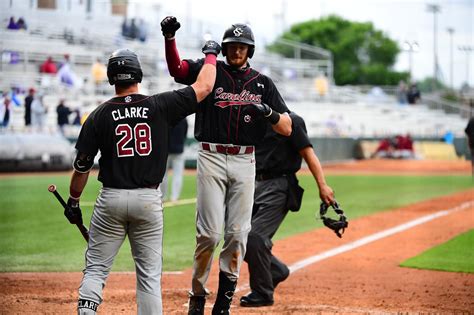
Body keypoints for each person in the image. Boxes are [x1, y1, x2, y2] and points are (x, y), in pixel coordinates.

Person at [65, 42, 218, 315]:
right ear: (138, 75)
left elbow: (82, 168)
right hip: (148, 200)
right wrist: (211, 53)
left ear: (112, 78)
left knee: (97, 268)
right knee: (148, 276)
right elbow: (205, 87)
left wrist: (73, 201)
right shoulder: (160, 104)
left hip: (110, 198)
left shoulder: (98, 115)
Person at [161, 16, 292, 315]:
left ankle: (223, 302)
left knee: (237, 234)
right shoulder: (210, 70)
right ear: (224, 48)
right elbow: (177, 69)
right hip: (211, 157)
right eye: (231, 46)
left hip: (246, 160)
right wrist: (170, 39)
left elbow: (286, 127)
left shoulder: (262, 83)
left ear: (250, 50)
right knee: (208, 234)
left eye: (242, 47)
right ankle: (197, 295)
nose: (236, 52)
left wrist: (269, 112)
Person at [240, 112, 335, 307]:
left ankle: (263, 293)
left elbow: (308, 153)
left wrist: (322, 185)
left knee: (254, 237)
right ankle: (276, 271)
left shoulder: (293, 121)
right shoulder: (254, 121)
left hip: (279, 185)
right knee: (236, 236)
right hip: (252, 184)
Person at [161, 117, 188, 202]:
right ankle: (174, 197)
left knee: (163, 175)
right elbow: (185, 134)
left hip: (166, 149)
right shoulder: (183, 119)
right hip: (178, 149)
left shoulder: (166, 117)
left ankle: (163, 196)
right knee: (177, 175)